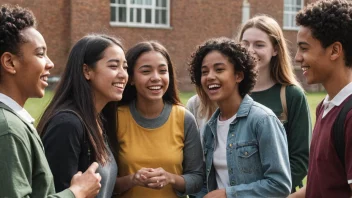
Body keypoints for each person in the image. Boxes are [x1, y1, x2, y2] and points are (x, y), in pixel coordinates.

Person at [0, 4, 101, 197]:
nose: (50, 63)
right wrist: (76, 192)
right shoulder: (8, 129)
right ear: (10, 63)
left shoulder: (14, 121)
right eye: (40, 54)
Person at [189, 37, 291, 197]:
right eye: (204, 72)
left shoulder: (263, 120)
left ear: (239, 75)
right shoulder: (210, 128)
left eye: (219, 69)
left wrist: (228, 194)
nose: (209, 76)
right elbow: (206, 184)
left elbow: (279, 184)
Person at [36, 34, 128, 198]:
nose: (123, 75)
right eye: (114, 66)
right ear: (87, 71)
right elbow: (55, 192)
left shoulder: (99, 120)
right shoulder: (67, 125)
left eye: (125, 67)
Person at [115, 41, 203, 198]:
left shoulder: (184, 118)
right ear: (131, 78)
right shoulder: (116, 118)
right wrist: (133, 179)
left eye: (163, 71)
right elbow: (103, 182)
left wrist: (171, 178)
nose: (156, 78)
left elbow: (197, 179)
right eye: (146, 71)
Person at [237, 15, 312, 192]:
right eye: (245, 43)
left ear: (275, 50)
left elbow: (301, 159)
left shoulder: (292, 95)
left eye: (259, 45)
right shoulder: (231, 92)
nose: (250, 50)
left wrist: (264, 192)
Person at [289, 0, 352, 197]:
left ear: (334, 51)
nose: (297, 57)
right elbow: (323, 184)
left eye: (304, 48)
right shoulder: (325, 107)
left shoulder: (349, 115)